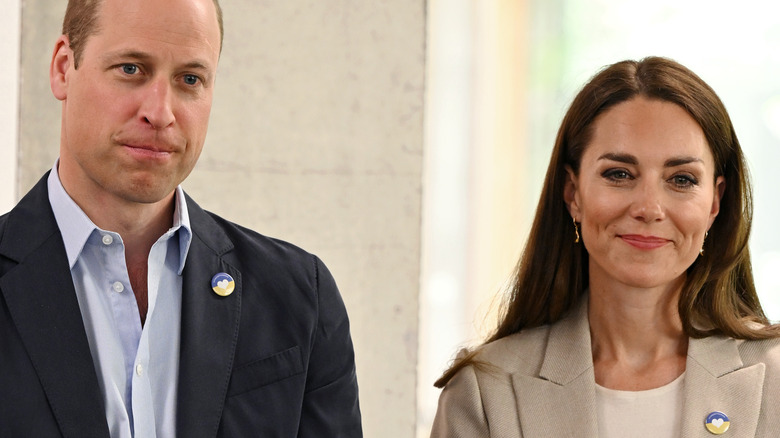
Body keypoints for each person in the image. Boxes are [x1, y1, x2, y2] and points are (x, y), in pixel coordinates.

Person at [0, 0, 362, 436]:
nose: (161, 112)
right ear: (63, 68)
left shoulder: (299, 296)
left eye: (190, 79)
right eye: (131, 69)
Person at [430, 57, 780, 437]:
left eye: (681, 179)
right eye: (619, 174)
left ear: (715, 202)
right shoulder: (485, 393)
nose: (649, 208)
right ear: (572, 193)